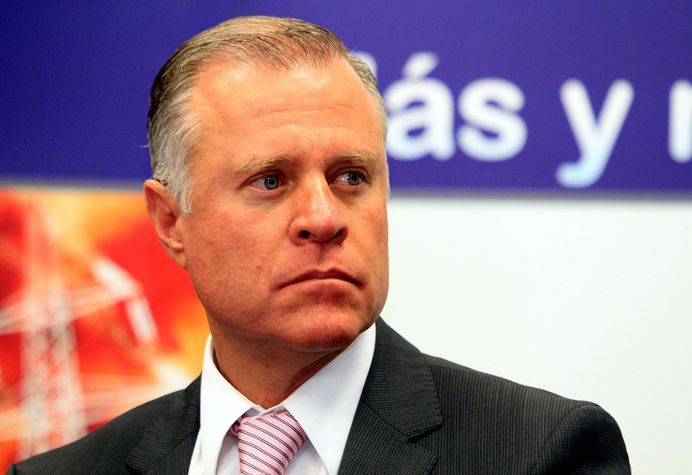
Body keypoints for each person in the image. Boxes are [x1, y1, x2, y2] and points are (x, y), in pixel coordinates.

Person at [7, 16, 630, 475]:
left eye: (351, 177)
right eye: (270, 181)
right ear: (171, 222)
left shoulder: (540, 452)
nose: (324, 218)